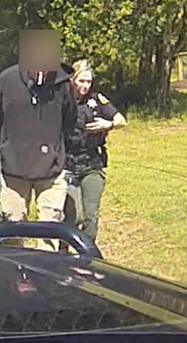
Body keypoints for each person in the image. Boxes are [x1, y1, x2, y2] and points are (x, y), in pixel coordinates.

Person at [0, 59, 77, 247]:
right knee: (13, 226)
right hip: (14, 168)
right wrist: (5, 148)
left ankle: (46, 265)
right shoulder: (7, 80)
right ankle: (15, 265)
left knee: (50, 228)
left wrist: (61, 154)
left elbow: (70, 120)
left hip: (52, 170)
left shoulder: (63, 83)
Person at [64, 60, 126, 242]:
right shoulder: (62, 100)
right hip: (68, 166)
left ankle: (87, 254)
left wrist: (109, 124)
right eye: (81, 81)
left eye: (88, 82)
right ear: (72, 79)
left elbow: (121, 120)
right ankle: (64, 253)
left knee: (90, 218)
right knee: (74, 217)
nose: (85, 85)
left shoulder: (97, 100)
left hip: (92, 165)